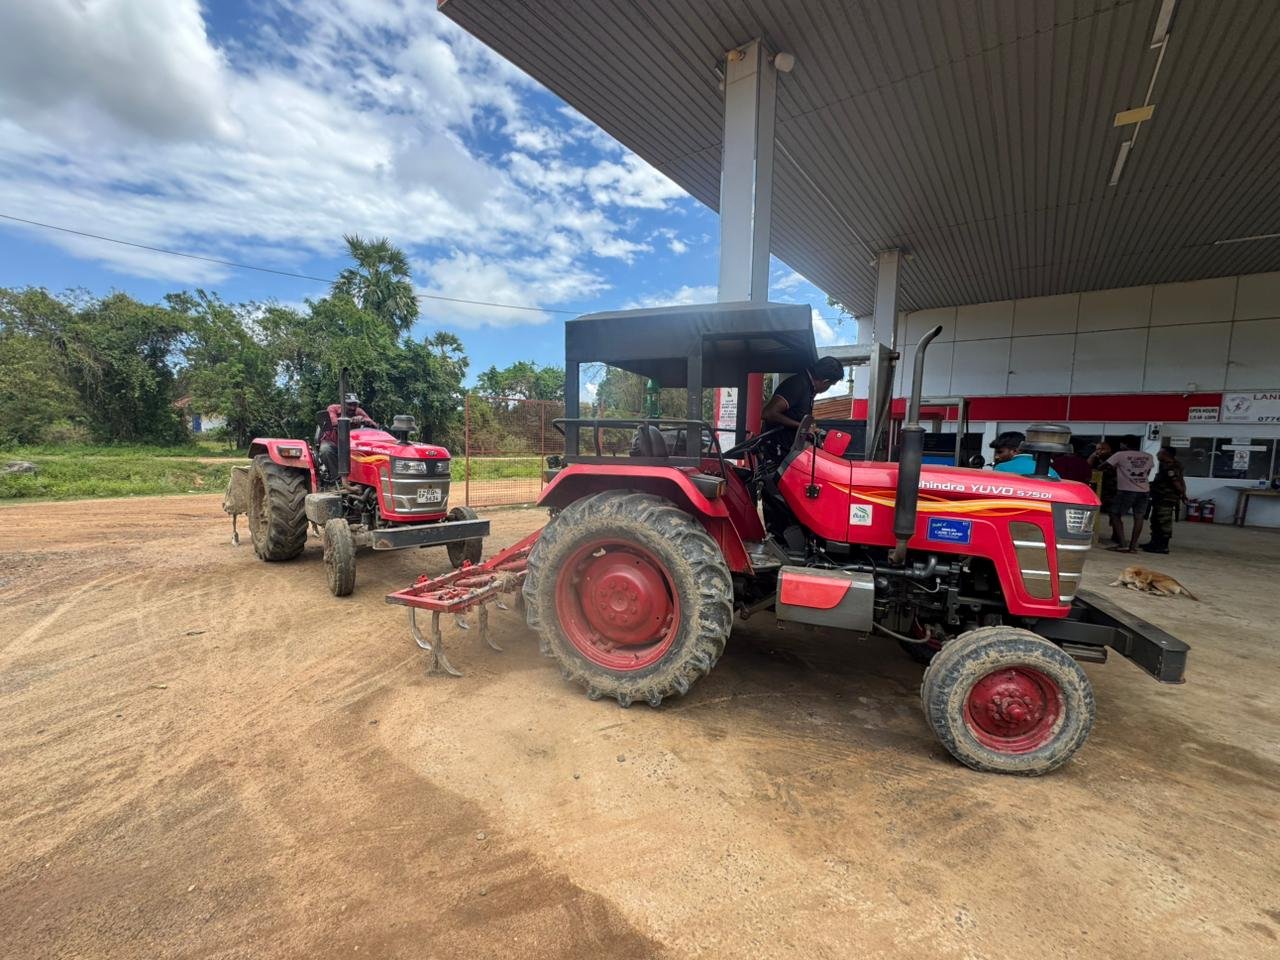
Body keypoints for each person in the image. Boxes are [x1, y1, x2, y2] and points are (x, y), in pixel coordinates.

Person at [761, 356, 844, 451]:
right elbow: (768, 413)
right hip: (777, 450)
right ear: (825, 381)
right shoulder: (797, 385)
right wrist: (802, 427)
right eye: (830, 385)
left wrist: (810, 428)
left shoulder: (809, 387)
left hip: (790, 449)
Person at [1102, 435, 1155, 552]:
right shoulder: (1148, 456)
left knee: (1115, 514)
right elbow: (1147, 473)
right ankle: (1132, 546)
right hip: (1144, 490)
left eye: (1121, 444)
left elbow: (1103, 466)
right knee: (1139, 517)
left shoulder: (1120, 455)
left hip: (1126, 490)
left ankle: (1122, 544)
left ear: (1125, 444)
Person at [318, 393, 378, 483]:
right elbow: (333, 422)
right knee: (325, 450)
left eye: (355, 405)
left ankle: (364, 479)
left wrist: (363, 419)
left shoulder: (358, 411)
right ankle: (337, 480)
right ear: (343, 404)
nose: (352, 408)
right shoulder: (333, 408)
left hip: (351, 444)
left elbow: (373, 424)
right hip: (333, 442)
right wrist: (351, 420)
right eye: (349, 405)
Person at [1143, 446, 1187, 554]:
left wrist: (1182, 493)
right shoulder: (1169, 465)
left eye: (1160, 452)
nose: (1157, 454)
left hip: (1166, 498)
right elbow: (1181, 480)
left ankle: (1163, 546)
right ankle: (1154, 543)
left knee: (1164, 521)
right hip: (1160, 497)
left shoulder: (1170, 467)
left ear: (1165, 454)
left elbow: (1177, 482)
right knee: (1156, 520)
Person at [989, 431, 1060, 478]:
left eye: (1000, 452)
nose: (996, 456)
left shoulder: (1001, 468)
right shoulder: (1050, 470)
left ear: (1015, 451)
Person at [1087, 439, 1119, 544]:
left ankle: (1117, 535)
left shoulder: (1114, 458)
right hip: (1099, 489)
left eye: (1102, 449)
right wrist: (1093, 455)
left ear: (1109, 449)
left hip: (1112, 490)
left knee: (1114, 514)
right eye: (1097, 449)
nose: (1099, 451)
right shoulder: (1096, 458)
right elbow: (1088, 465)